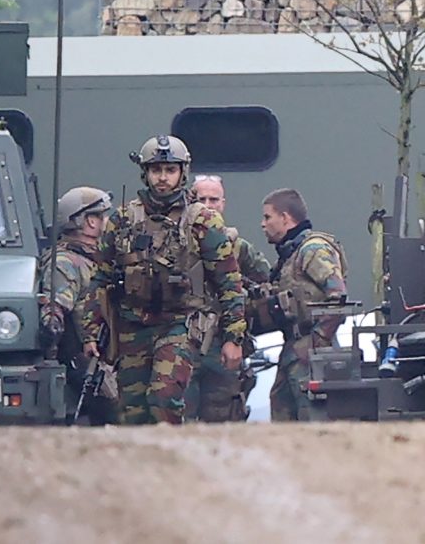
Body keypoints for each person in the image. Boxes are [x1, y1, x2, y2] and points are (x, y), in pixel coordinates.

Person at [77, 135, 246, 425]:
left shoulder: (202, 221)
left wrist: (234, 337)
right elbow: (100, 279)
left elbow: (229, 283)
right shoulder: (122, 220)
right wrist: (90, 333)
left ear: (183, 172)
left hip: (179, 323)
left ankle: (172, 451)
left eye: (170, 170)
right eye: (156, 170)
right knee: (132, 411)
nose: (163, 178)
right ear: (146, 173)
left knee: (164, 398)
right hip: (131, 326)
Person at [185, 174, 271, 422]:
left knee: (224, 418)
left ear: (223, 203)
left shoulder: (238, 247)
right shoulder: (178, 243)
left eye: (214, 200)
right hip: (183, 343)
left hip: (222, 343)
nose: (208, 205)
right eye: (201, 199)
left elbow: (266, 278)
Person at [259, 188, 347, 421]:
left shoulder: (312, 249)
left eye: (267, 217)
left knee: (313, 419)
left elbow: (338, 297)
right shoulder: (290, 255)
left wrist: (318, 341)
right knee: (283, 416)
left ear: (285, 218)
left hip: (311, 352)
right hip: (293, 349)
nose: (263, 224)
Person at [39, 186, 117, 424]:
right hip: (86, 360)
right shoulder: (66, 262)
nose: (107, 222)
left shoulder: (99, 257)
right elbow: (55, 307)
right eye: (103, 216)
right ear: (90, 221)